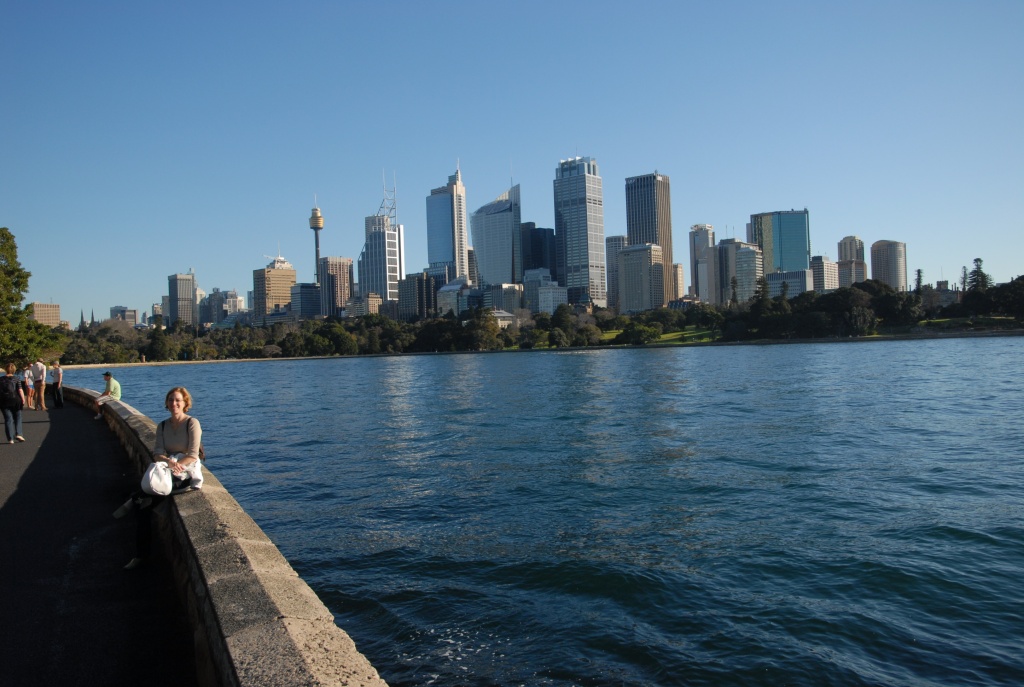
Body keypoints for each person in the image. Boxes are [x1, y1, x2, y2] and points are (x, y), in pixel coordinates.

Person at [114, 386, 202, 569]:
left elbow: (193, 454)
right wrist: (170, 463)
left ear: (185, 403)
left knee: (142, 500)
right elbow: (158, 454)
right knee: (143, 508)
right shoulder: (162, 426)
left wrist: (178, 465)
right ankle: (141, 555)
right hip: (169, 468)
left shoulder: (192, 423)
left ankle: (133, 499)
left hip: (185, 472)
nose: (174, 403)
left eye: (178, 400)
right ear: (166, 403)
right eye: (171, 400)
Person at [1, 363, 27, 443]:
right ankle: (19, 433)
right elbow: (20, 389)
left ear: (6, 369)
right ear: (14, 370)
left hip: (4, 401)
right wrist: (23, 399)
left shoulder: (0, 379)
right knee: (18, 417)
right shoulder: (16, 378)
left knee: (8, 419)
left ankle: (10, 439)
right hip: (15, 400)